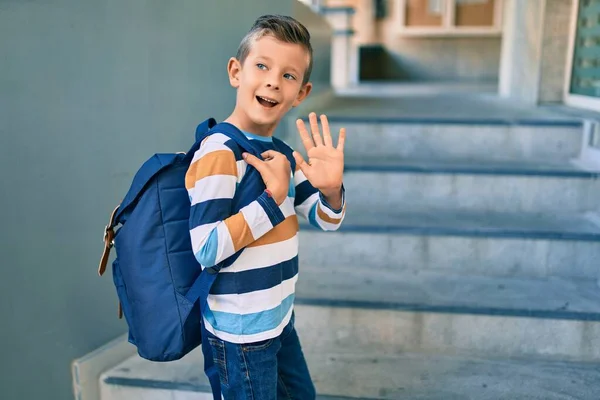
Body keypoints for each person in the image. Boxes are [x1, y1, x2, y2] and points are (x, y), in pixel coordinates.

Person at [185, 14, 347, 400]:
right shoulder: (219, 152)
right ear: (236, 72)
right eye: (262, 66)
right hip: (240, 334)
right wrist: (271, 201)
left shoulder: (285, 155)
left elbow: (325, 220)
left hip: (278, 319)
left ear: (301, 94)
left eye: (289, 76)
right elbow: (206, 248)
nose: (274, 80)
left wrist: (333, 190)